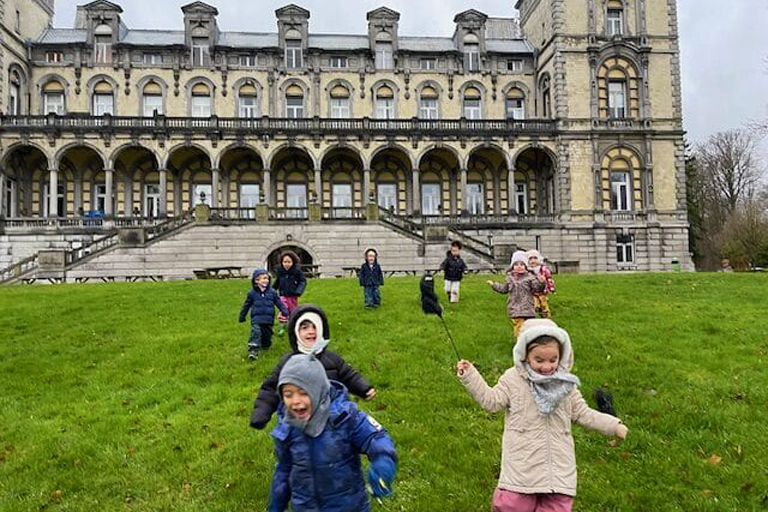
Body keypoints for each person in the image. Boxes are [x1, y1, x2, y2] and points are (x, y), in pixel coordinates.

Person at [456, 319, 629, 512]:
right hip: (522, 467)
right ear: (525, 355)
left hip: (558, 469)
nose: (546, 367)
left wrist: (614, 425)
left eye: (553, 360)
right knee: (512, 506)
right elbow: (491, 401)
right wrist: (470, 376)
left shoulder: (565, 385)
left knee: (556, 507)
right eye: (539, 360)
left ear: (561, 356)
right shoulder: (513, 379)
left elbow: (583, 413)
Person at [268, 353, 397, 512]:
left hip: (349, 506)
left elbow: (376, 438)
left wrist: (382, 463)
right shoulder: (288, 426)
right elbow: (283, 470)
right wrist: (276, 505)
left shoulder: (344, 417)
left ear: (318, 390)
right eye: (288, 394)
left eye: (303, 392)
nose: (295, 401)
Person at [250, 304, 376, 430]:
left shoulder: (332, 359)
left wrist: (363, 388)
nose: (311, 331)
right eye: (304, 327)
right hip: (300, 419)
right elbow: (270, 388)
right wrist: (261, 413)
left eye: (315, 327)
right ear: (296, 331)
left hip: (333, 418)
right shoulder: (288, 363)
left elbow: (349, 376)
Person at [487, 250, 545, 338]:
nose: (519, 266)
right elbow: (503, 289)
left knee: (529, 327)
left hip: (528, 308)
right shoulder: (509, 279)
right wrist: (494, 285)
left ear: (526, 266)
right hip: (515, 309)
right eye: (516, 264)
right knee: (519, 328)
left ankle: (528, 341)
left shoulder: (530, 277)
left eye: (522, 264)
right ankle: (520, 342)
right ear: (512, 266)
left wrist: (541, 283)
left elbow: (537, 289)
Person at [239, 268, 289, 360]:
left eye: (267, 278)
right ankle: (253, 350)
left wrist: (284, 311)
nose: (266, 280)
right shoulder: (252, 293)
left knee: (267, 335)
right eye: (264, 278)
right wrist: (242, 316)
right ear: (256, 280)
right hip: (256, 319)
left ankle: (266, 345)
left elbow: (279, 303)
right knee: (256, 333)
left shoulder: (272, 292)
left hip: (268, 319)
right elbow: (246, 305)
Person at [273, 250, 307, 337]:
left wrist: (299, 290)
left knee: (292, 311)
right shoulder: (280, 271)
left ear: (293, 262)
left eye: (289, 262)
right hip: (283, 295)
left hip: (293, 295)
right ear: (281, 262)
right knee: (283, 309)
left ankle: (292, 326)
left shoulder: (296, 271)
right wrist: (273, 289)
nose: (286, 264)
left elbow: (302, 281)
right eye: (285, 262)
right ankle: (282, 326)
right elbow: (278, 280)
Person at [526, 249, 556, 318]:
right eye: (530, 259)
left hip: (543, 291)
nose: (533, 261)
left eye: (535, 258)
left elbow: (549, 278)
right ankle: (535, 311)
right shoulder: (527, 271)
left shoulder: (543, 269)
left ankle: (546, 315)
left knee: (544, 303)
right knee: (534, 303)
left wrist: (551, 288)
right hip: (532, 292)